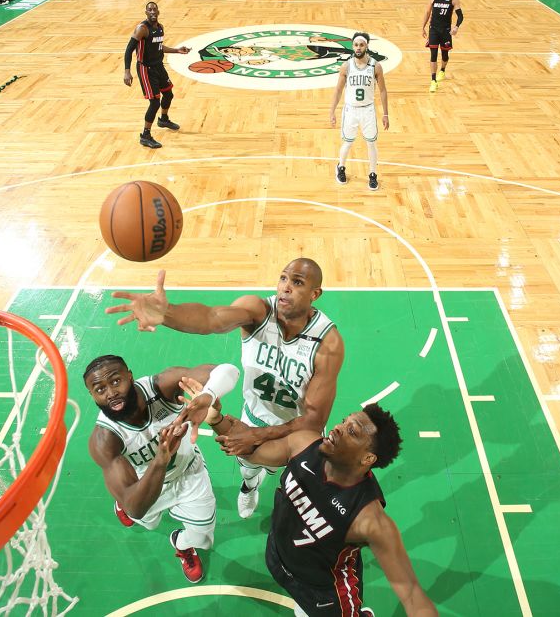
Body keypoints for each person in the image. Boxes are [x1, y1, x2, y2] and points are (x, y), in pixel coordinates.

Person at [106, 258, 345, 520]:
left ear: (315, 294)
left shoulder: (327, 343)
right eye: (283, 278)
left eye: (297, 282)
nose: (285, 287)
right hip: (254, 415)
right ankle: (249, 485)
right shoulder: (258, 310)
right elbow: (211, 318)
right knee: (249, 468)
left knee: (301, 485)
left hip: (297, 429)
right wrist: (167, 313)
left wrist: (258, 436)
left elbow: (314, 419)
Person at [182, 386, 437, 617]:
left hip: (325, 595)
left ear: (367, 458)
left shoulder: (369, 519)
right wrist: (215, 419)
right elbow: (253, 449)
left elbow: (414, 598)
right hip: (278, 557)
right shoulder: (304, 444)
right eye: (343, 421)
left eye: (352, 431)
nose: (338, 427)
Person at [83, 354, 240, 583]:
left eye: (115, 381)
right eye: (100, 389)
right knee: (143, 517)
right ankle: (121, 498)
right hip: (142, 482)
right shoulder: (104, 440)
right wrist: (160, 459)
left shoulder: (162, 386)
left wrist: (208, 396)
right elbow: (136, 508)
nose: (110, 393)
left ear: (130, 375)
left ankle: (181, 544)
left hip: (189, 472)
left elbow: (228, 370)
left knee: (203, 537)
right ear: (92, 395)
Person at [123, 1, 190, 149]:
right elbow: (129, 49)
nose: (152, 12)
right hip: (145, 68)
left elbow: (159, 47)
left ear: (158, 12)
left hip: (158, 66)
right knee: (154, 102)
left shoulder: (160, 28)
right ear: (146, 13)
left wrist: (177, 50)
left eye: (154, 9)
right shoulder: (142, 29)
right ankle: (145, 136)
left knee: (169, 94)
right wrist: (127, 71)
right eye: (149, 10)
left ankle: (163, 119)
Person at [328, 32, 389, 191]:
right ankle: (340, 167)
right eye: (356, 45)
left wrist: (386, 114)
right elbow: (338, 90)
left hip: (368, 110)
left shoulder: (375, 66)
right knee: (348, 142)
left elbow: (383, 91)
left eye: (361, 44)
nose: (358, 47)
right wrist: (332, 111)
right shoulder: (346, 66)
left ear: (366, 46)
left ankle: (373, 174)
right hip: (351, 110)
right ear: (352, 47)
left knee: (371, 143)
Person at [421, 0, 463, 93]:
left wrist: (456, 27)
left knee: (445, 55)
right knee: (433, 55)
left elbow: (460, 16)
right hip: (433, 29)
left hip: (445, 31)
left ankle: (442, 70)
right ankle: (433, 81)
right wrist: (422, 27)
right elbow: (427, 12)